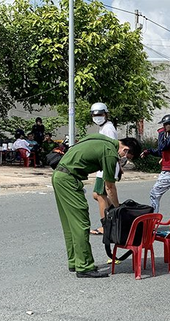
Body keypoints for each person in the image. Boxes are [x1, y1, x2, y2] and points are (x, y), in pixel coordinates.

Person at [52, 134, 141, 277]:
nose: (124, 159)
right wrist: (118, 208)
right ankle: (84, 266)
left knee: (70, 224)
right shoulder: (110, 153)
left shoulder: (100, 139)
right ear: (125, 149)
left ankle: (75, 261)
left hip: (59, 175)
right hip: (69, 180)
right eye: (127, 157)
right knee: (81, 223)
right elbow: (110, 187)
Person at [140, 114, 170, 214]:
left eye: (166, 124)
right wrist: (148, 151)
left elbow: (163, 147)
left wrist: (161, 134)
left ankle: (154, 220)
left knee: (154, 194)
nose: (163, 127)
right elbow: (161, 152)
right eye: (163, 125)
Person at [89, 102, 119, 236]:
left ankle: (105, 226)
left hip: (105, 165)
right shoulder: (104, 127)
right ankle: (116, 214)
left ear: (106, 114)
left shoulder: (108, 128)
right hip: (102, 165)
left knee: (100, 195)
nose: (97, 117)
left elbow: (111, 149)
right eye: (95, 115)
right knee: (97, 195)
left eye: (100, 114)